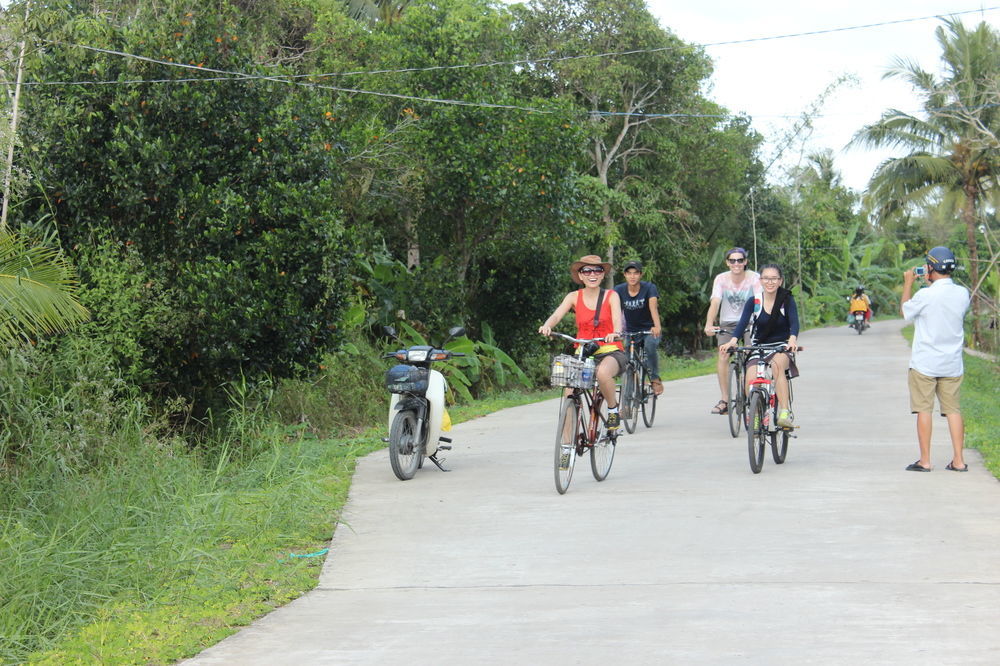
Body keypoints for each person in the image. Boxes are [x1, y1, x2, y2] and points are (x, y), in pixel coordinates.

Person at [900, 246, 971, 472]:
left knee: (924, 409)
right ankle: (959, 460)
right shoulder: (962, 294)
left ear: (930, 268)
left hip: (925, 364)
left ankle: (925, 460)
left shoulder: (925, 295)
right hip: (952, 363)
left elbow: (905, 311)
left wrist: (909, 282)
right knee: (953, 410)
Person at [539, 255, 626, 430]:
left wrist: (615, 333)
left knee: (602, 373)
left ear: (603, 275)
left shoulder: (611, 295)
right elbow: (557, 314)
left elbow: (617, 320)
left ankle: (612, 410)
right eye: (586, 270)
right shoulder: (573, 296)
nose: (592, 274)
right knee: (569, 391)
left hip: (610, 350)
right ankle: (566, 447)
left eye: (597, 270)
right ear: (580, 275)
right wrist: (547, 325)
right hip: (584, 352)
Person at [720, 263, 799, 428]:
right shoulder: (754, 301)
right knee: (750, 377)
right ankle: (756, 414)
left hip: (780, 346)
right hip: (758, 346)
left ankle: (784, 412)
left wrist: (792, 340)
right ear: (760, 280)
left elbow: (794, 323)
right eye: (766, 278)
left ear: (780, 281)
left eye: (774, 279)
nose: (770, 282)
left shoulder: (786, 299)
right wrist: (733, 341)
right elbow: (742, 324)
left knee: (777, 367)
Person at [704, 247, 760, 414]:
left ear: (745, 262)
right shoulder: (721, 279)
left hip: (750, 322)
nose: (736, 264)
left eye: (740, 260)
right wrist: (708, 324)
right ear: (727, 262)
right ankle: (725, 400)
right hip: (728, 324)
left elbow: (759, 302)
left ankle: (750, 391)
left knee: (752, 354)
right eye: (732, 260)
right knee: (723, 354)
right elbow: (715, 302)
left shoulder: (754, 278)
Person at [613, 260, 664, 396]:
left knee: (649, 346)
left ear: (640, 275)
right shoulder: (618, 290)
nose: (632, 276)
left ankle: (654, 378)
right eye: (629, 273)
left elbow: (653, 308)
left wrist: (657, 326)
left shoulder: (649, 288)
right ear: (624, 275)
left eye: (636, 273)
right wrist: (615, 331)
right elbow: (615, 311)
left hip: (648, 329)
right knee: (628, 360)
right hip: (630, 331)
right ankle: (628, 400)